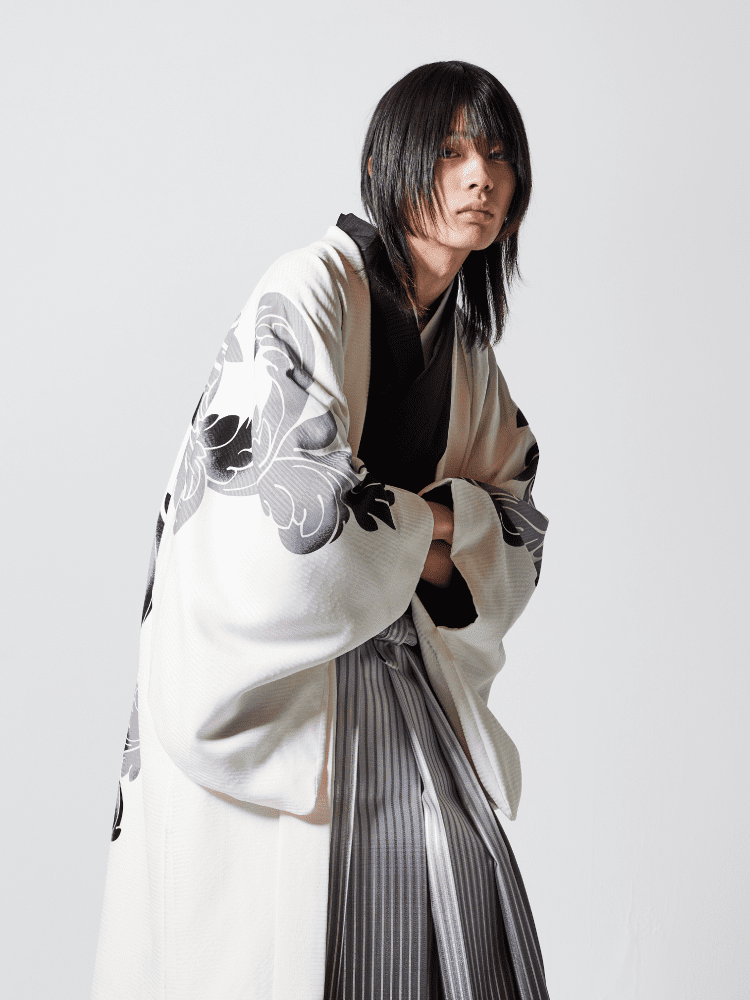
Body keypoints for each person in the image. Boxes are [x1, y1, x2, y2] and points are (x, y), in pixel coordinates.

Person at [91, 60, 551, 1000]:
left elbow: (517, 525)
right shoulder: (309, 287)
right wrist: (439, 526)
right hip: (286, 683)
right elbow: (287, 518)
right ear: (384, 165)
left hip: (402, 671)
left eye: (498, 155)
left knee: (467, 881)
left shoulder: (466, 352)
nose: (480, 176)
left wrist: (414, 526)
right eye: (451, 150)